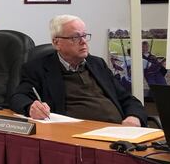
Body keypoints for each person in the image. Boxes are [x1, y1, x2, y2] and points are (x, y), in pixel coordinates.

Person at [10, 15, 148, 126]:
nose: (83, 42)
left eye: (84, 35)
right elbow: (18, 97)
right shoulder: (38, 67)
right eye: (75, 37)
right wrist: (30, 107)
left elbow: (127, 99)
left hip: (119, 132)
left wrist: (134, 118)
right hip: (76, 137)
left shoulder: (97, 64)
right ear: (56, 43)